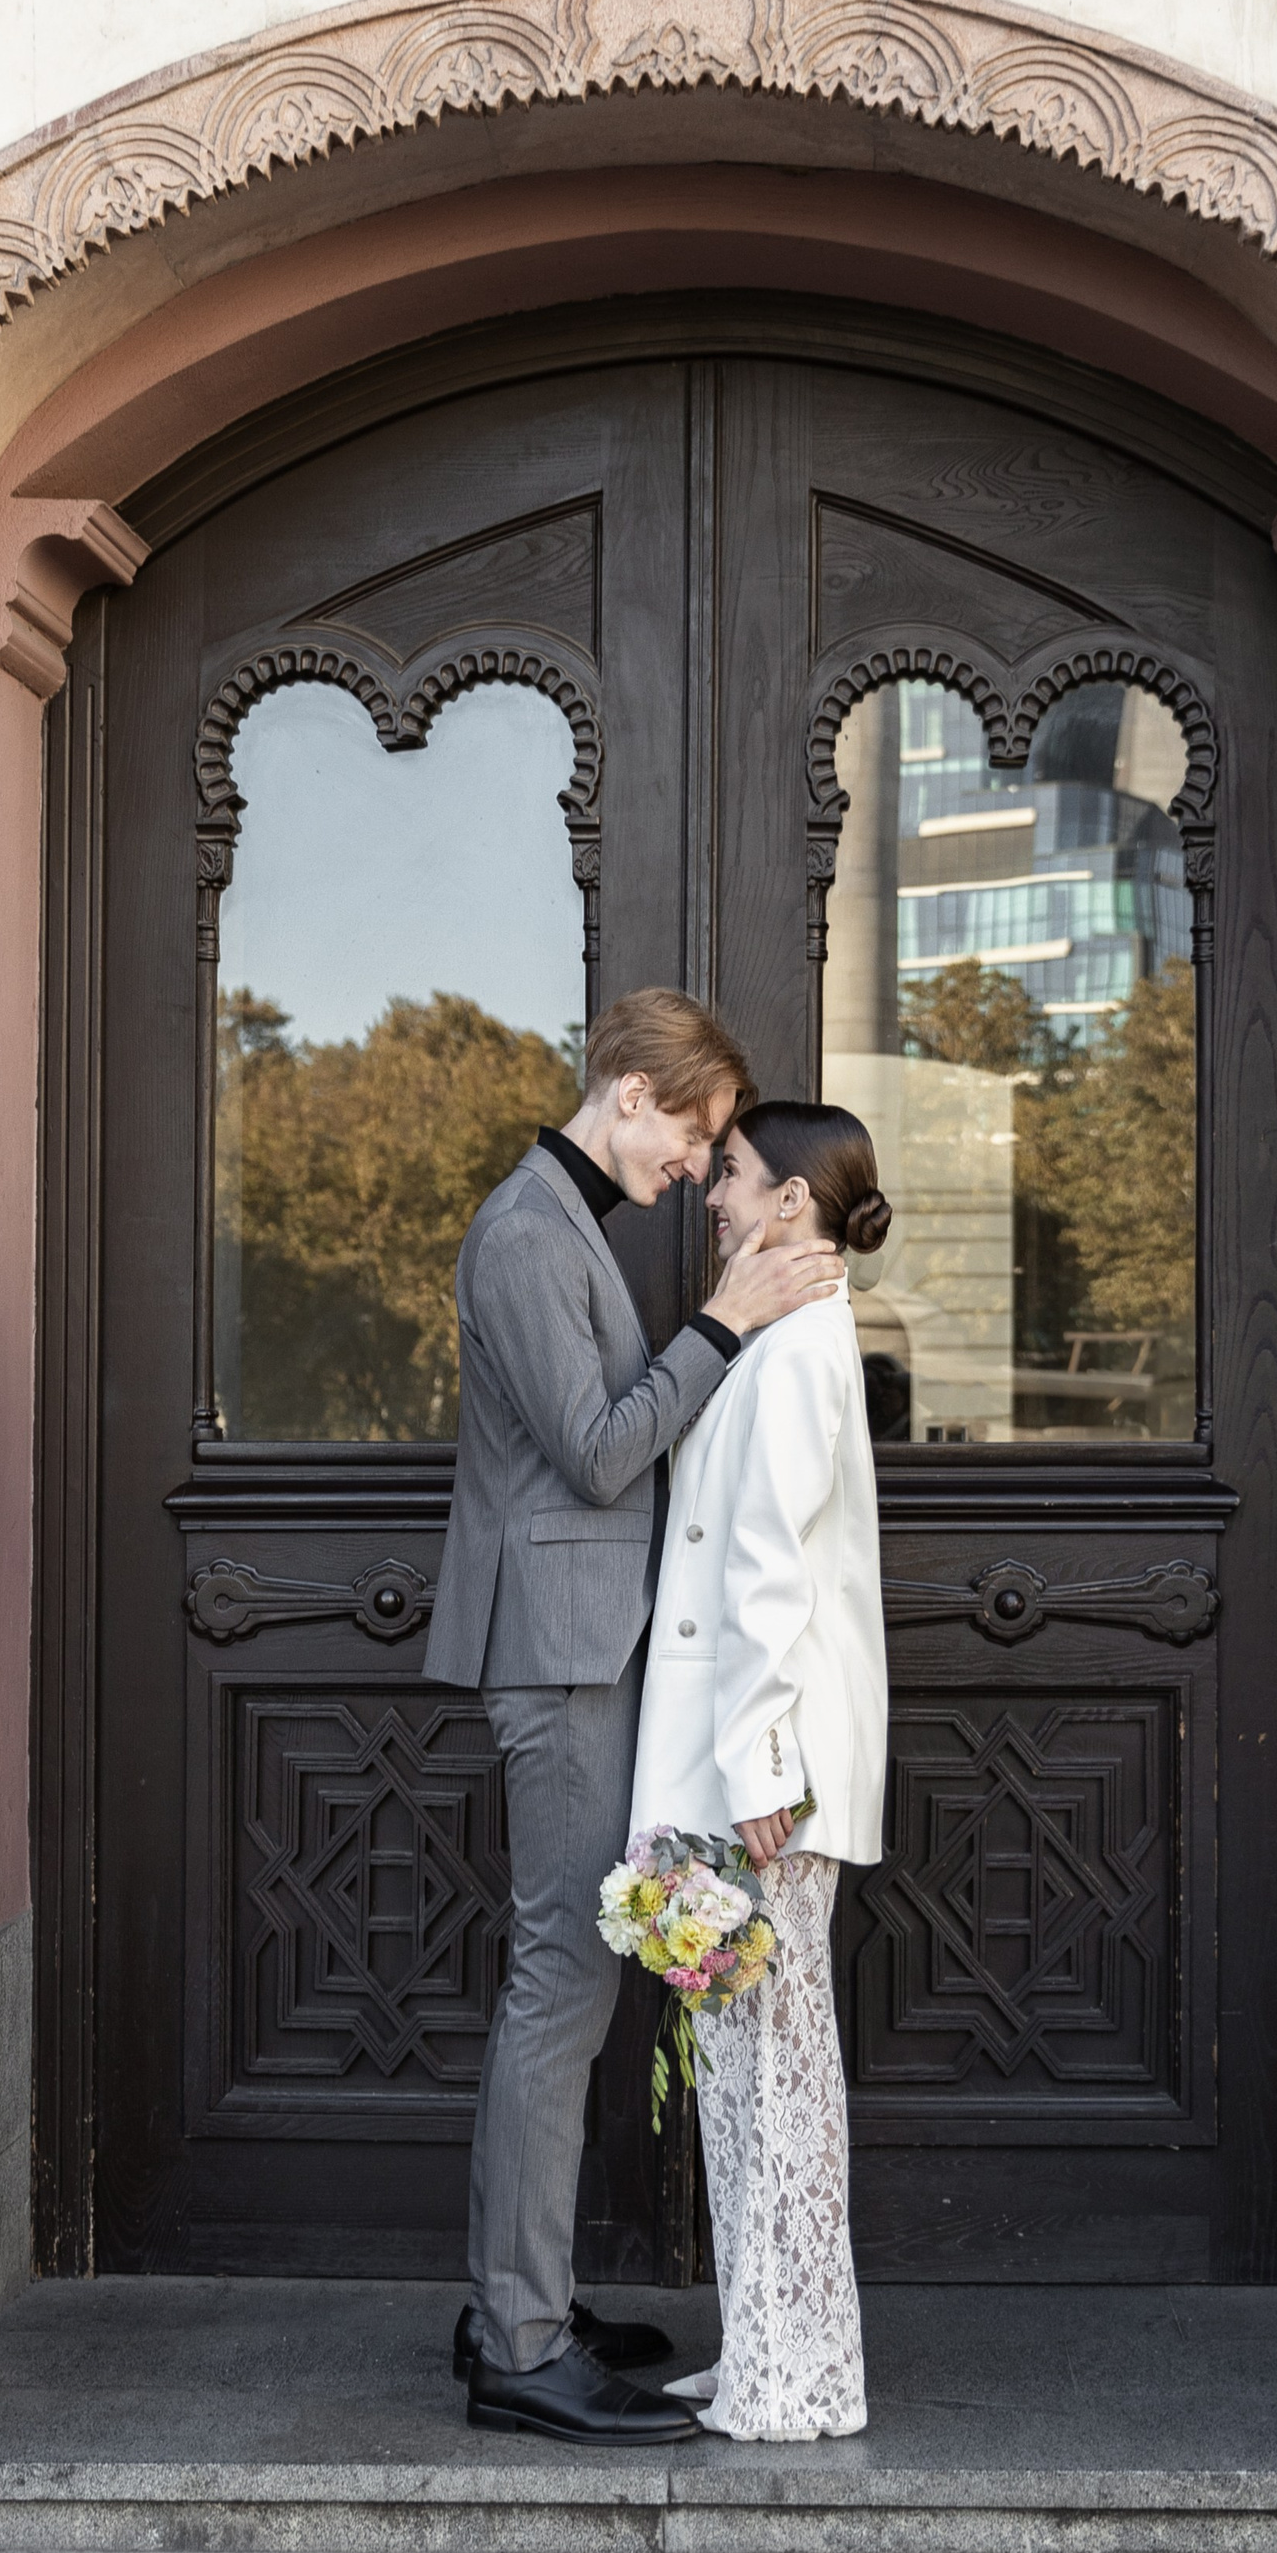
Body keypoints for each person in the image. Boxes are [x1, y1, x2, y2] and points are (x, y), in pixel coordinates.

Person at [423, 989, 844, 2444]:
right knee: (559, 1985)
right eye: (695, 1135)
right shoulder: (527, 1232)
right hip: (553, 1655)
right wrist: (727, 1322)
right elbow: (601, 1458)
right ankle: (519, 2341)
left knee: (573, 1987)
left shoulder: (566, 1223)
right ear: (630, 1093)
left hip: (591, 1647)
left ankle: (520, 2301)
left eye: (716, 1147)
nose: (692, 1169)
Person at [630, 1099, 892, 2442]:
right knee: (744, 2080)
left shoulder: (800, 1356)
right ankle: (775, 2358)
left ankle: (797, 2379)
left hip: (762, 1781)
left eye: (730, 1177)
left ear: (791, 1199)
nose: (714, 1197)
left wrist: (762, 1766)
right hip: (738, 1769)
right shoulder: (783, 1337)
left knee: (778, 2084)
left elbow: (773, 1576)